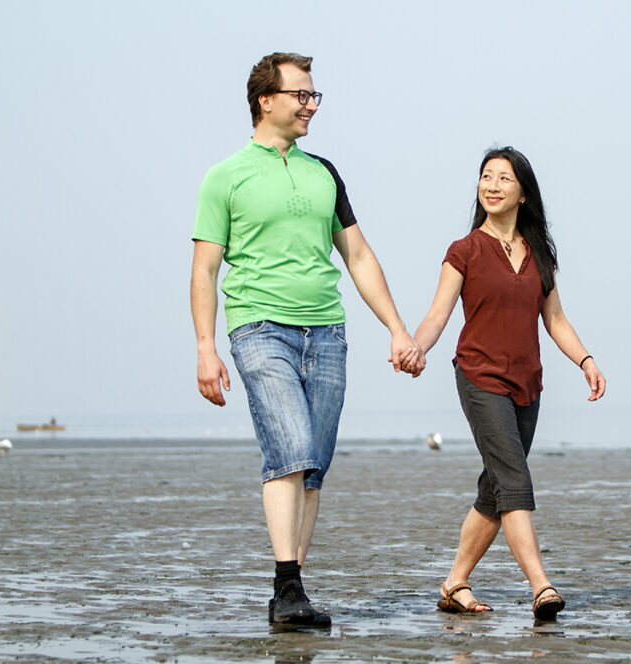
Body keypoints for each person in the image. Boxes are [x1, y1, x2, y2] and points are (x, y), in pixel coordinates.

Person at [190, 52, 421, 628]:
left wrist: (396, 327)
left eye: (314, 96)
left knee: (311, 467)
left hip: (327, 331)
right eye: (301, 94)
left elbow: (359, 256)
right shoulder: (226, 176)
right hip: (259, 327)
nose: (310, 104)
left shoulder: (325, 173)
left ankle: (292, 593)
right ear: (266, 100)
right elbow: (204, 271)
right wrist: (204, 346)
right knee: (290, 450)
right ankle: (286, 586)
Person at [412, 146, 606, 620]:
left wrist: (585, 359)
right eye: (486, 177)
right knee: (515, 480)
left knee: (496, 491)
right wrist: (416, 347)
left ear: (523, 193)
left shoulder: (540, 255)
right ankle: (541, 586)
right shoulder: (465, 251)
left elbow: (555, 319)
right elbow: (438, 314)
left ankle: (454, 583)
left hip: (527, 384)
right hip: (479, 376)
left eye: (504, 178)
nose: (492, 185)